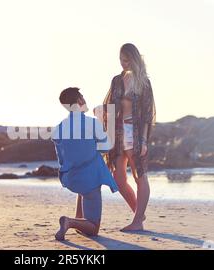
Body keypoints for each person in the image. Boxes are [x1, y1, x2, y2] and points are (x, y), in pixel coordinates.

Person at [51, 87, 118, 241]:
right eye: (82, 96)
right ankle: (70, 222)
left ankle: (78, 219)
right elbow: (107, 146)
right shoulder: (92, 123)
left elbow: (61, 158)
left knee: (84, 184)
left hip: (71, 179)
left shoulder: (59, 128)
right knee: (93, 228)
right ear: (80, 100)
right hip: (90, 179)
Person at [102, 43, 156, 231]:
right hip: (117, 133)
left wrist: (143, 140)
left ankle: (138, 221)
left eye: (127, 60)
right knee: (118, 179)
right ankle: (138, 212)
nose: (123, 64)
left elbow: (148, 113)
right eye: (121, 60)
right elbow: (108, 106)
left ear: (134, 59)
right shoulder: (116, 80)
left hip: (134, 132)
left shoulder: (144, 82)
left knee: (140, 175)